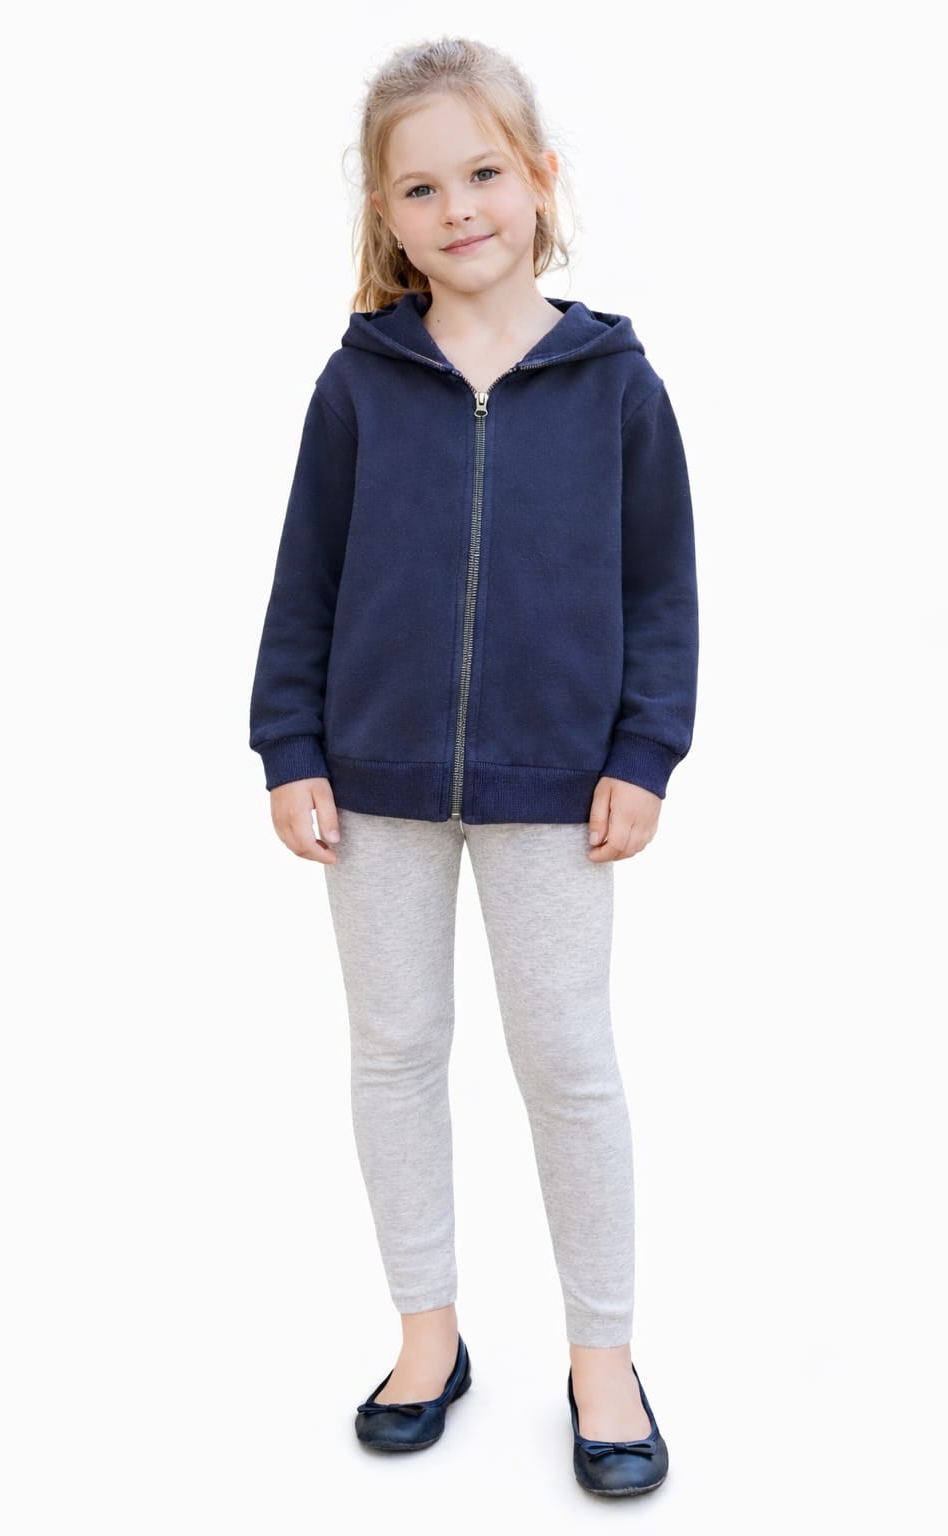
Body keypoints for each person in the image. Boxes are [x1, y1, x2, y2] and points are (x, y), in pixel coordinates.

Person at [248, 36, 698, 1496]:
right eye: (422, 187)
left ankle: (603, 1354)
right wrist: (289, 742)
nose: (459, 209)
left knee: (568, 1062)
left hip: (557, 786)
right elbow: (306, 579)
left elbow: (661, 591)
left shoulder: (615, 383)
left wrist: (644, 752)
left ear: (542, 178)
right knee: (394, 1053)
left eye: (485, 172)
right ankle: (428, 1335)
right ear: (386, 213)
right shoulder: (360, 383)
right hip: (369, 784)